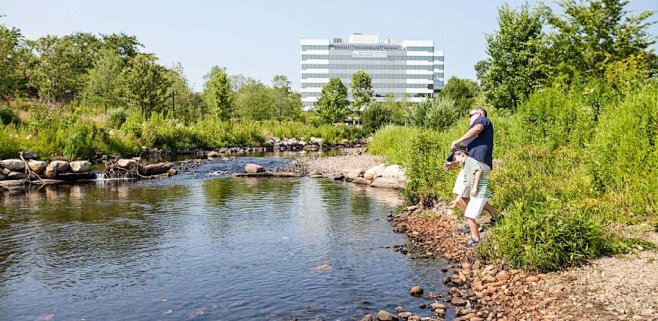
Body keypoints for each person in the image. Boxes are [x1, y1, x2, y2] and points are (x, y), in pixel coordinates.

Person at [444, 107, 500, 224]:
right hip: (477, 164)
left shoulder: (482, 120)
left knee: (460, 193)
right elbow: (464, 156)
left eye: (470, 115)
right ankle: (497, 215)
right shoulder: (473, 137)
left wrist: (458, 140)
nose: (469, 119)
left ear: (479, 114)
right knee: (473, 196)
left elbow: (478, 128)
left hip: (476, 164)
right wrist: (454, 162)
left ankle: (471, 224)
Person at [447, 146, 493, 249]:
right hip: (478, 193)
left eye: (455, 158)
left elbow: (479, 171)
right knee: (469, 214)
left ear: (461, 155)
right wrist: (456, 201)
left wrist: (475, 187)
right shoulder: (465, 165)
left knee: (470, 215)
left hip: (481, 192)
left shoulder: (470, 161)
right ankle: (475, 238)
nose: (455, 161)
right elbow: (465, 184)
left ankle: (476, 240)